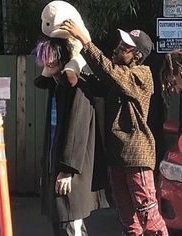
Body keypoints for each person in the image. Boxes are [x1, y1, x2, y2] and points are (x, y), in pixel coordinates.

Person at [61, 20, 169, 236]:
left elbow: (108, 71)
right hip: (116, 157)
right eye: (120, 44)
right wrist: (65, 68)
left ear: (136, 56)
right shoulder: (117, 78)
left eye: (125, 47)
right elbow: (90, 82)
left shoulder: (141, 75)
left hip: (136, 157)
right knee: (128, 219)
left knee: (149, 215)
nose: (117, 47)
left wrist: (84, 40)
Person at [33, 37, 110, 236]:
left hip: (71, 171)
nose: (48, 62)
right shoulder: (57, 85)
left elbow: (78, 129)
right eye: (45, 58)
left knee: (70, 223)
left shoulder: (78, 88)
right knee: (63, 223)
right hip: (58, 165)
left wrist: (67, 170)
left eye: (52, 58)